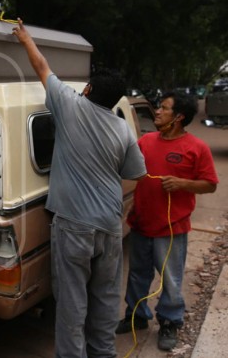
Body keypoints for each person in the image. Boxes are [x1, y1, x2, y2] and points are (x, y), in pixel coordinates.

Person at [12, 19, 147, 357]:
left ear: (87, 89)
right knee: (104, 303)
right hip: (110, 227)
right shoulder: (122, 129)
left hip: (73, 227)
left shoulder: (68, 105)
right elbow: (136, 172)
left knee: (72, 308)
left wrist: (24, 36)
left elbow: (41, 66)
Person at [116, 91, 218, 351]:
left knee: (170, 278)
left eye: (163, 108)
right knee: (137, 274)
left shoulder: (196, 148)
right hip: (141, 223)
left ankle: (170, 321)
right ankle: (136, 316)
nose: (157, 112)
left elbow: (210, 185)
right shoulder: (146, 141)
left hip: (171, 229)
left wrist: (184, 183)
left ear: (179, 117)